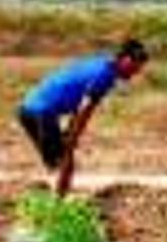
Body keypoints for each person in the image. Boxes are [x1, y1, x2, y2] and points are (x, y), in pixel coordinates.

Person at [17, 39, 148, 196]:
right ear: (126, 60)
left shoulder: (102, 63)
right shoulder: (105, 75)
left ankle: (51, 196)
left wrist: (71, 130)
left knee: (58, 160)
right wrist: (73, 137)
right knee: (66, 161)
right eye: (135, 67)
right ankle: (56, 204)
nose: (136, 73)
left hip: (29, 109)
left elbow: (78, 101)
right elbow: (86, 108)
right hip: (41, 112)